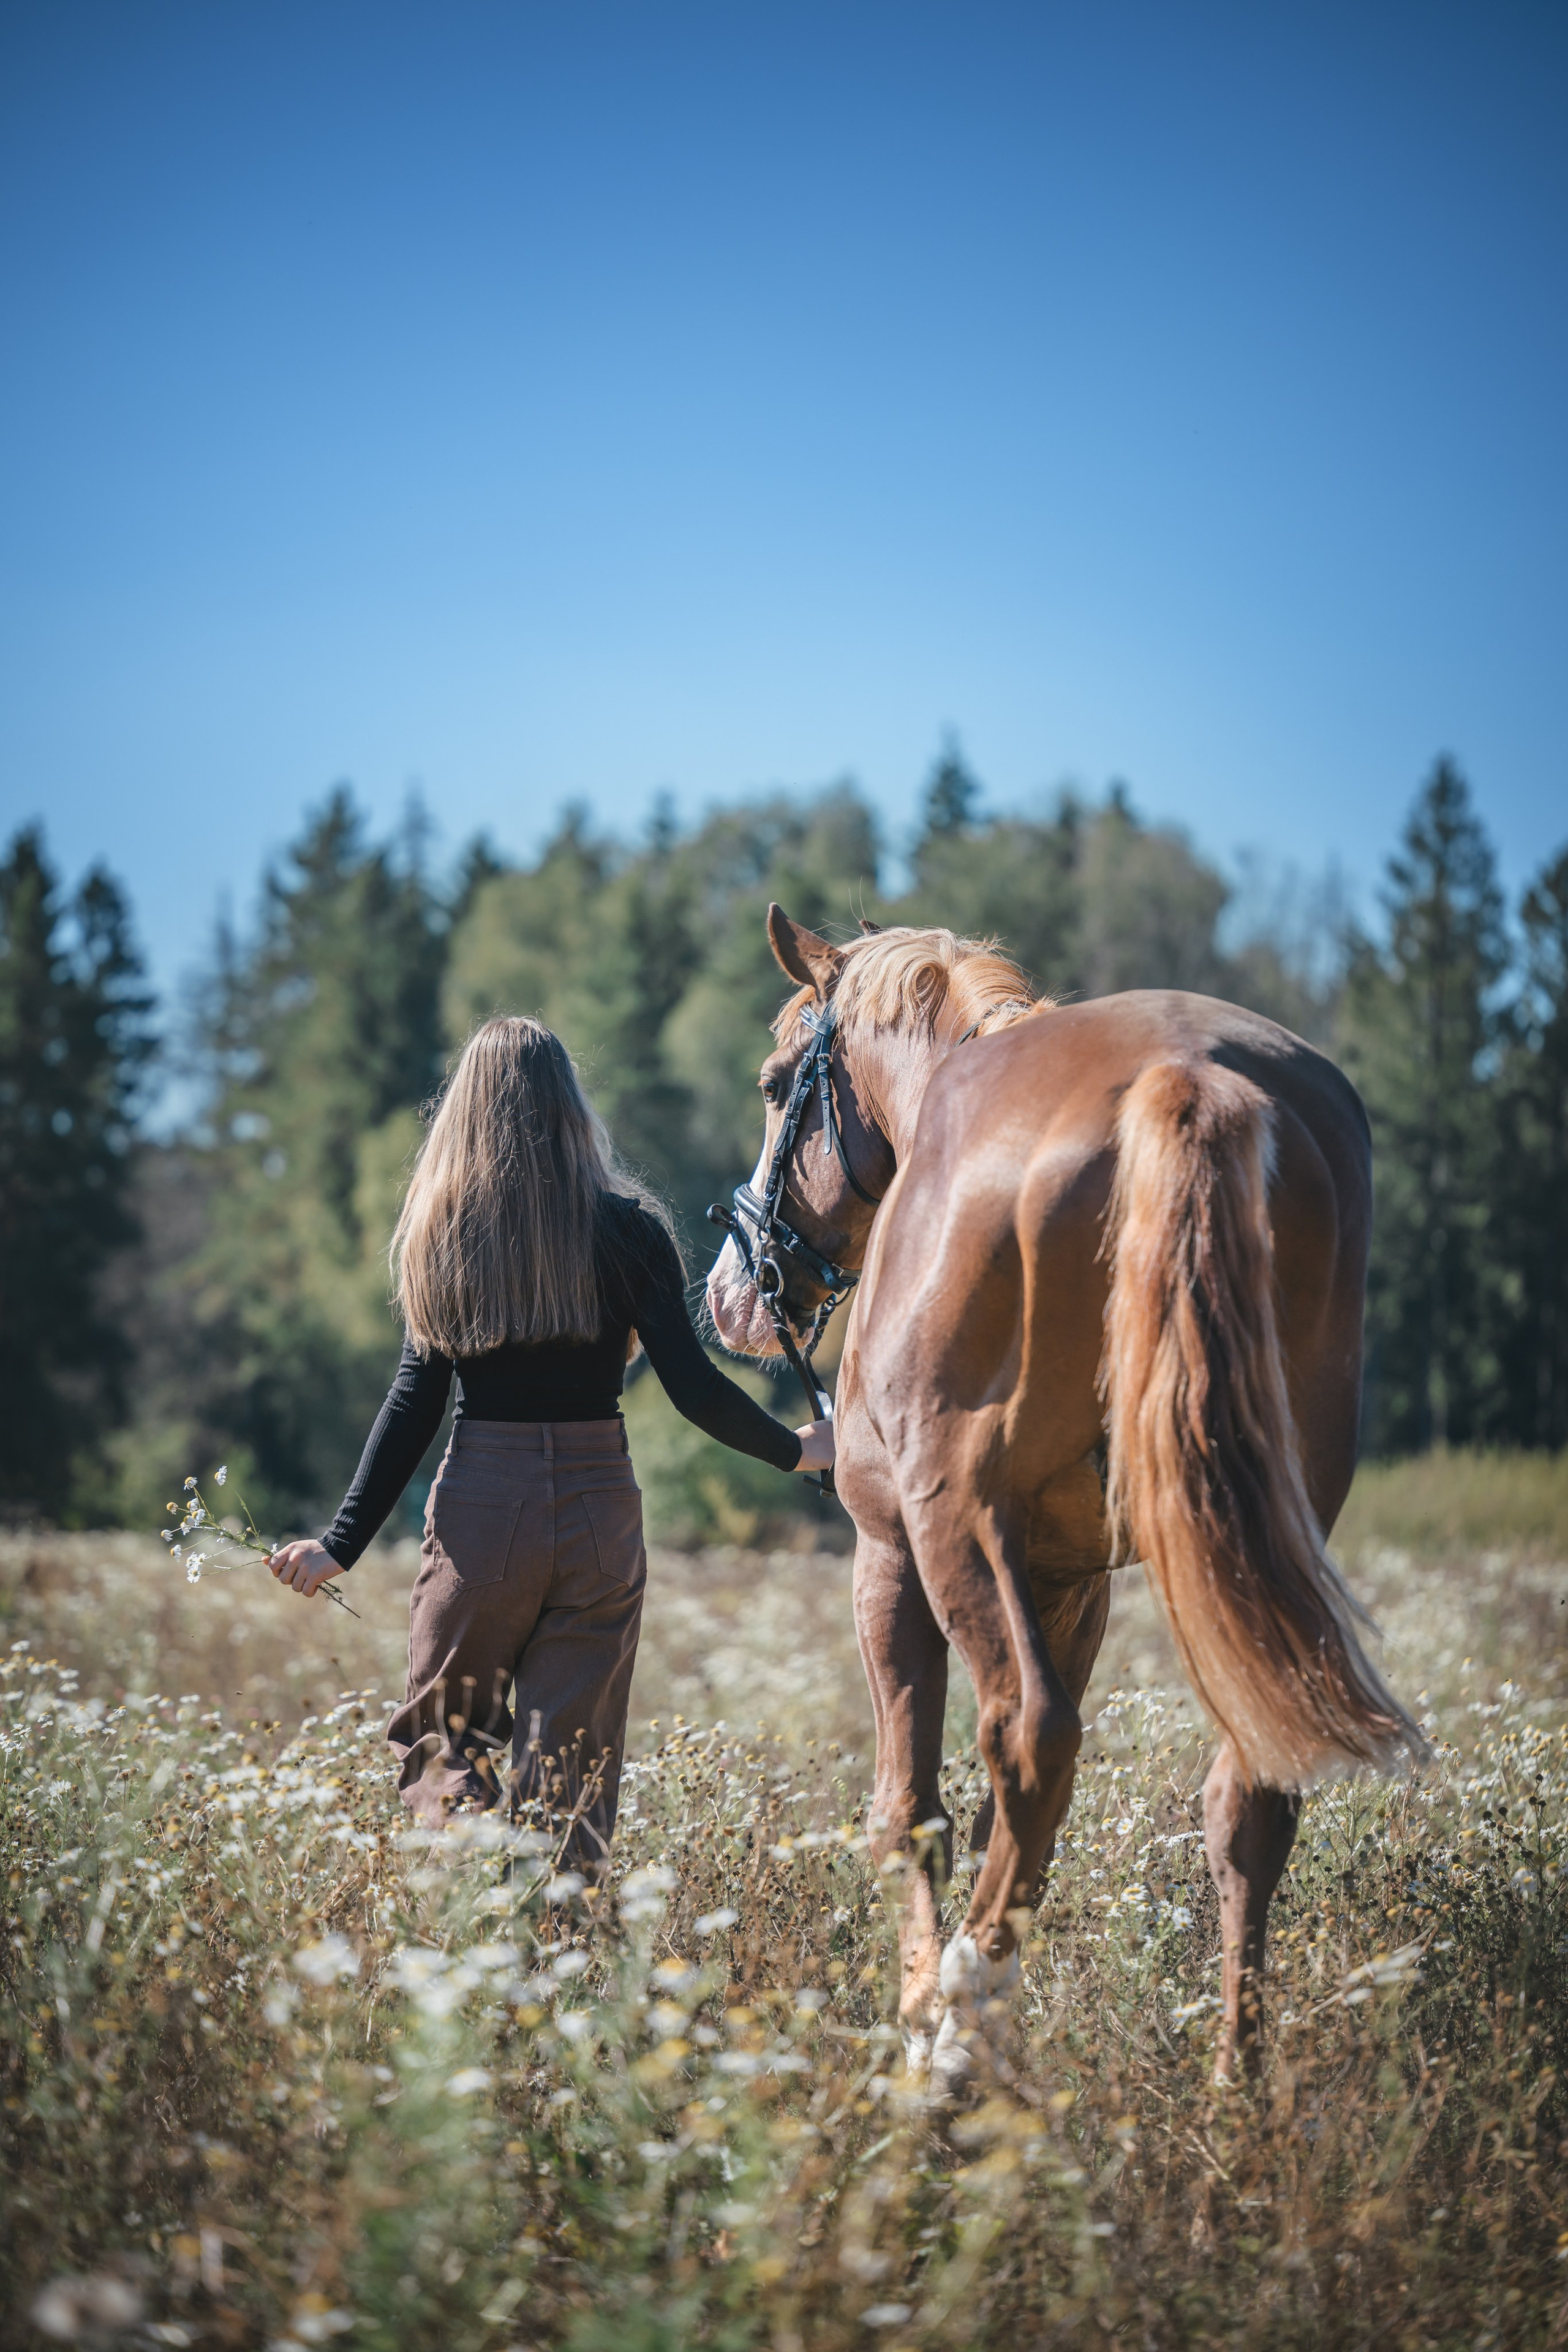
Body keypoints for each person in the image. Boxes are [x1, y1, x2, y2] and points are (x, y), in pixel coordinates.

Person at [269, 1016, 832, 1864]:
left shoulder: (445, 1235)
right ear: (571, 1107)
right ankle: (559, 1965)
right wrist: (798, 1449)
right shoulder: (631, 1230)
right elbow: (693, 1388)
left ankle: (469, 1924)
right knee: (571, 1778)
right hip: (599, 1513)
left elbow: (414, 1401)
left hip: (482, 1513)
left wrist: (339, 1545)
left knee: (443, 1744)